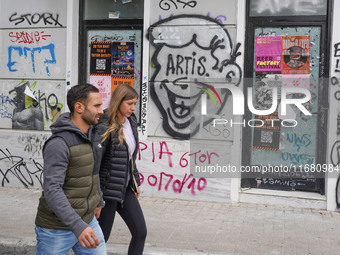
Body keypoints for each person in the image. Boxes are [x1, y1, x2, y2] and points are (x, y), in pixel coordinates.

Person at [35, 83, 106, 255]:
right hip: (56, 229)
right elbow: (52, 190)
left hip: (88, 221)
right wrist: (78, 226)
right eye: (96, 106)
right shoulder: (59, 144)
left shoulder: (93, 136)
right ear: (79, 107)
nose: (101, 111)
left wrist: (99, 201)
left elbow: (92, 172)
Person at [97, 83, 147, 255]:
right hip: (107, 191)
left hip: (125, 188)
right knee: (101, 238)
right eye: (129, 103)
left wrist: (135, 180)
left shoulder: (131, 122)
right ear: (118, 102)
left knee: (140, 232)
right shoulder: (104, 124)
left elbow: (129, 156)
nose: (133, 108)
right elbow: (96, 164)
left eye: (135, 103)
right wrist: (97, 198)